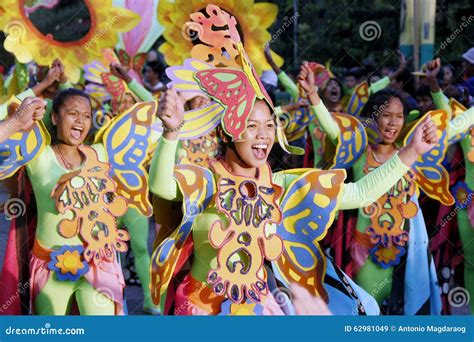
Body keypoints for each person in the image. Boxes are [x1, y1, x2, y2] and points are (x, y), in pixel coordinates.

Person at [0, 88, 158, 315]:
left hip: (99, 264)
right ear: (54, 117)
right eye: (73, 113)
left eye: (86, 115)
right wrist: (18, 117)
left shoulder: (102, 154)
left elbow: (156, 121)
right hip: (49, 264)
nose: (80, 121)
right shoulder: (39, 156)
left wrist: (170, 124)